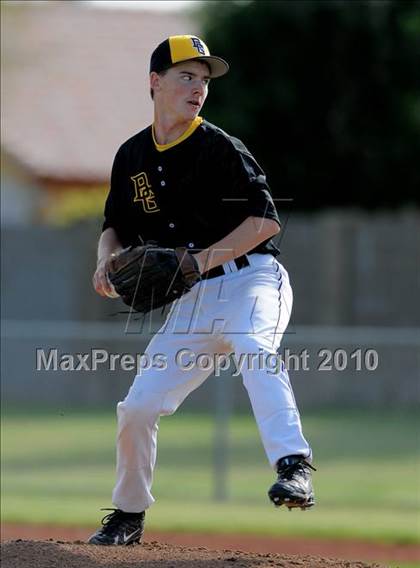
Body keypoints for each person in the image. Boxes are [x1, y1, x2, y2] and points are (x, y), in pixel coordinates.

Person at [89, 35, 315, 546]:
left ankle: (294, 464)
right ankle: (127, 515)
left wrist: (197, 260)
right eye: (186, 76)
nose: (198, 88)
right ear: (155, 82)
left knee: (255, 351)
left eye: (204, 80)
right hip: (192, 301)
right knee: (138, 408)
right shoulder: (132, 156)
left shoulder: (219, 147)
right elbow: (115, 225)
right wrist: (105, 259)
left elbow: (265, 221)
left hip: (251, 280)